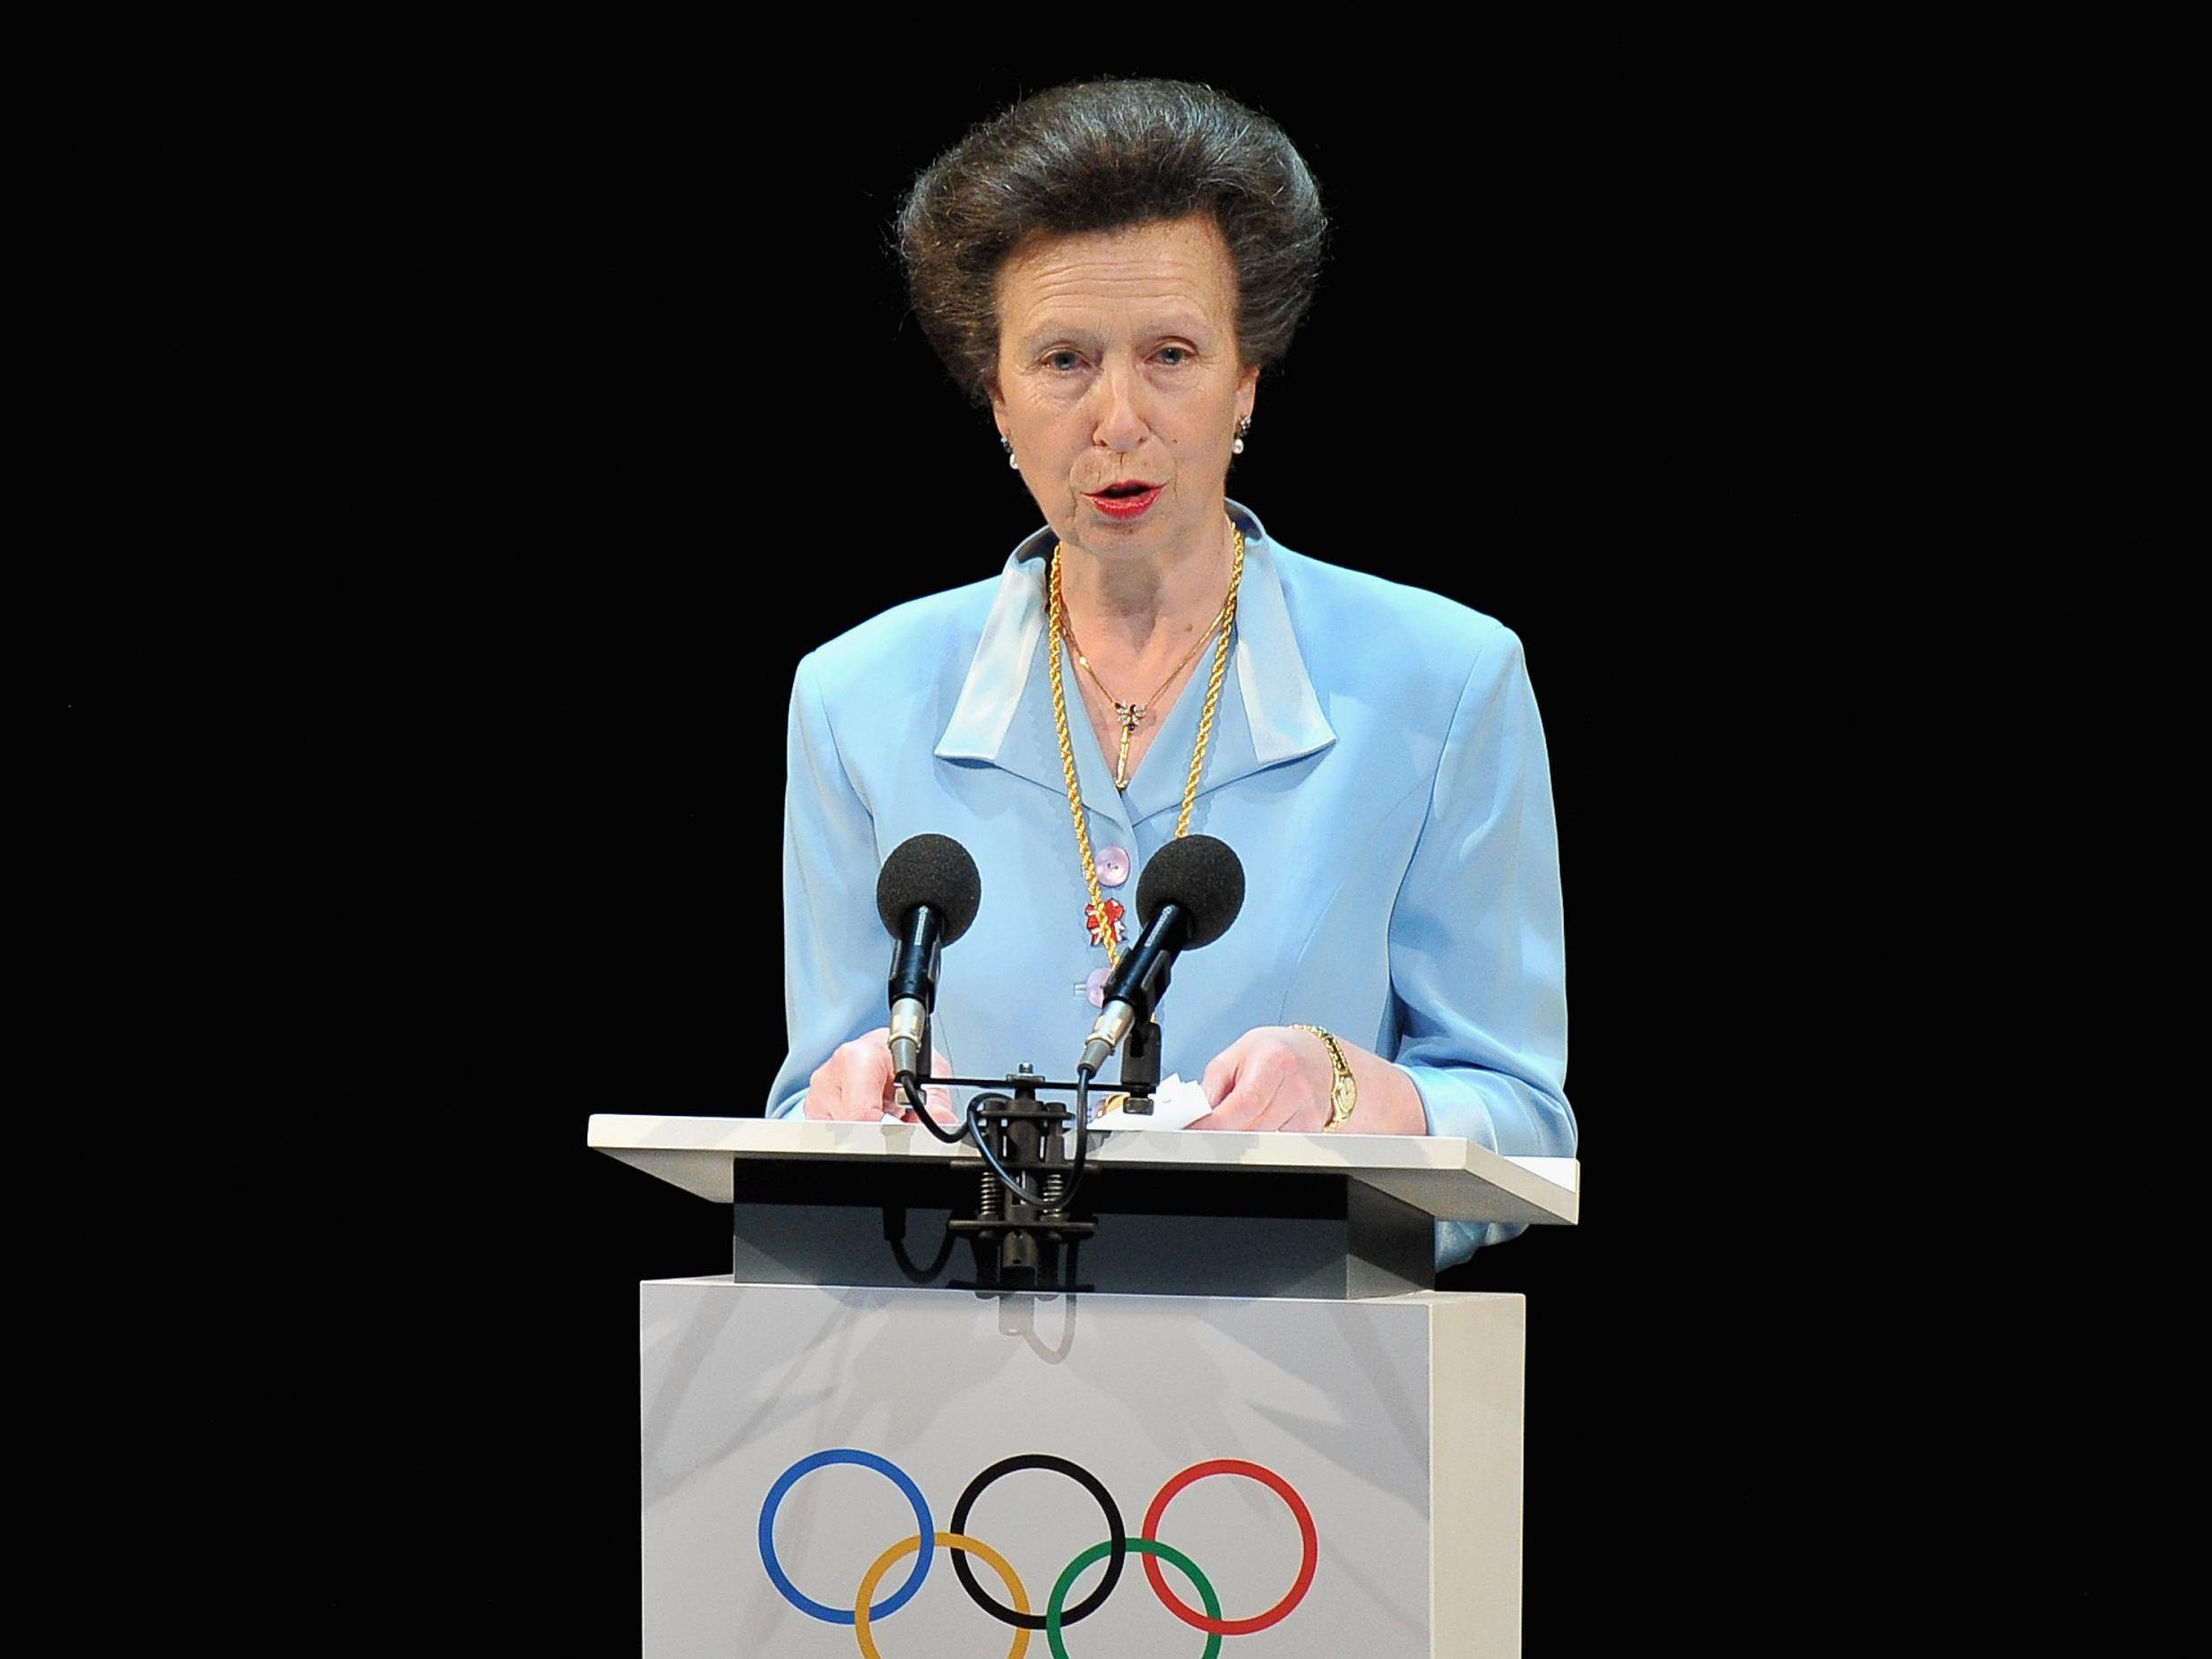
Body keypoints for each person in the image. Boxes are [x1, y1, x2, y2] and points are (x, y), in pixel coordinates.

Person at [765, 79, 1574, 1265]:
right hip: (948, 1379)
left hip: (1303, 1405)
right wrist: (845, 1105)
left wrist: (1354, 1091)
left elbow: (1526, 1131)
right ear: (996, 396)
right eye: (1063, 361)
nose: (1120, 418)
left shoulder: (1445, 685)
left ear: (1247, 380)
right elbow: (806, 1115)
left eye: (1173, 354)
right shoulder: (856, 699)